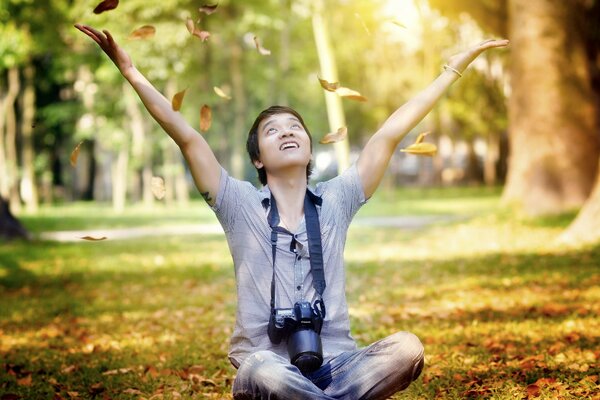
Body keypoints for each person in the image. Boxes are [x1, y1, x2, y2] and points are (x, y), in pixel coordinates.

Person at [75, 23, 508, 399]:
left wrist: (452, 70)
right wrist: (130, 71)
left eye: (295, 126)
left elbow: (389, 134)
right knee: (262, 369)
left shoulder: (338, 200)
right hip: (267, 372)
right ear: (258, 159)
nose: (286, 132)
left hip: (336, 366)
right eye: (272, 130)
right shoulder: (238, 203)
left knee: (407, 348)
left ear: (308, 148)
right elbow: (186, 136)